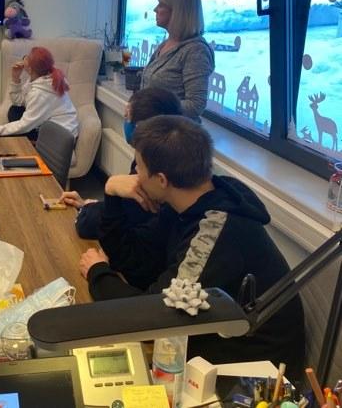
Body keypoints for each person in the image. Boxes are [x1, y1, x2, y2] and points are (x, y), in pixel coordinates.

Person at [78, 115, 305, 379]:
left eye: (138, 166)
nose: (135, 174)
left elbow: (152, 316)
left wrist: (98, 273)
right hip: (211, 340)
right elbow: (137, 260)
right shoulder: (186, 204)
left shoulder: (215, 233)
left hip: (252, 374)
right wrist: (112, 194)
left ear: (161, 180)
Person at [60, 87, 183, 250]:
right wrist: (89, 205)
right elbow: (124, 210)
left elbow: (89, 225)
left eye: (126, 117)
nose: (124, 122)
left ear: (140, 127)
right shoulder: (172, 160)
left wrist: (88, 209)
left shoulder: (151, 176)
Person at [140, 0, 215, 119]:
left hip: (172, 131)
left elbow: (196, 105)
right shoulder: (166, 44)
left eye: (161, 5)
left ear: (178, 11)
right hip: (152, 127)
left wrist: (151, 108)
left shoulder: (195, 51)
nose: (155, 9)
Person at [0, 46, 79, 141]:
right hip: (48, 124)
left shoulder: (39, 94)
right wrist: (15, 78)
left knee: (5, 137)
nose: (24, 57)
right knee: (14, 110)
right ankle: (27, 141)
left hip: (60, 136)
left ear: (30, 69)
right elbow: (18, 101)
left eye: (27, 57)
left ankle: (31, 144)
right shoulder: (39, 79)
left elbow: (24, 125)